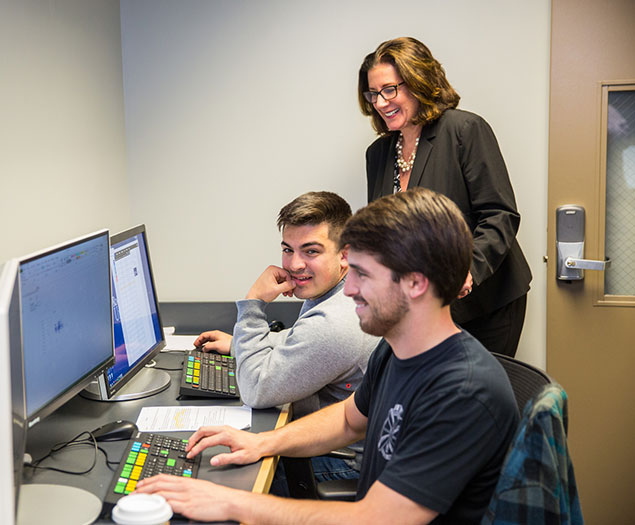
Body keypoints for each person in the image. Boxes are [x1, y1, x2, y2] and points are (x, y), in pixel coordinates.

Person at [136, 188, 520, 524]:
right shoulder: (397, 348)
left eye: (363, 275)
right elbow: (350, 419)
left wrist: (240, 503)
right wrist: (262, 443)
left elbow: (377, 520)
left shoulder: (464, 393)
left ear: (416, 283)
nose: (348, 290)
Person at [358, 36, 532, 357]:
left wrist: (468, 270)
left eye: (389, 90)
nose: (380, 103)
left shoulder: (464, 130)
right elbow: (382, 234)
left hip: (484, 302)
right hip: (422, 308)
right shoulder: (378, 154)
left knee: (476, 400)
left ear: (419, 82)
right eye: (373, 94)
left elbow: (499, 215)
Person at [194, 191, 379, 485]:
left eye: (311, 251)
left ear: (345, 254)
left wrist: (254, 302)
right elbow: (302, 341)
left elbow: (255, 389)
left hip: (345, 463)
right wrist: (237, 344)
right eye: (288, 249)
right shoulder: (344, 290)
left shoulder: (335, 321)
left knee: (220, 473)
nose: (294, 265)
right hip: (345, 448)